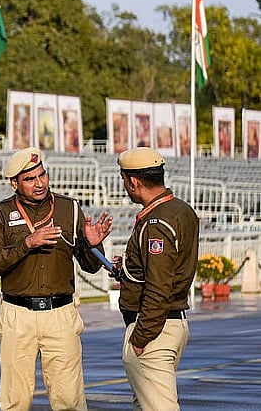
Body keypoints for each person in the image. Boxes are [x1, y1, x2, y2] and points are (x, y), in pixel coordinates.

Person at [0, 147, 113, 410]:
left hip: (61, 314)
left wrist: (91, 244)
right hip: (17, 315)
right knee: (14, 400)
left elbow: (89, 267)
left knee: (69, 399)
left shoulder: (69, 208)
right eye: (30, 179)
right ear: (14, 183)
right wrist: (27, 243)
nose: (39, 183)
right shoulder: (0, 213)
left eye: (42, 175)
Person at [114, 147, 198, 411]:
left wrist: (140, 338)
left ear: (133, 181)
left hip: (154, 329)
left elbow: (159, 286)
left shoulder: (156, 223)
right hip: (171, 323)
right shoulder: (181, 209)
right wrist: (128, 268)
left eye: (125, 180)